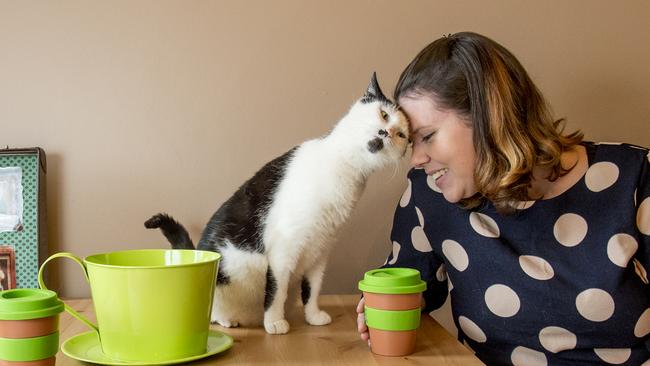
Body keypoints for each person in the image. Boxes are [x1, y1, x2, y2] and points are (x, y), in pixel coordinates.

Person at [356, 32, 650, 365]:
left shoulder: (634, 178)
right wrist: (381, 307)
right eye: (412, 143)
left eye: (427, 137)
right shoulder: (430, 195)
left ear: (490, 118)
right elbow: (411, 287)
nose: (417, 158)